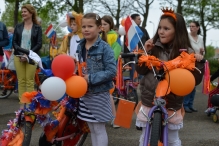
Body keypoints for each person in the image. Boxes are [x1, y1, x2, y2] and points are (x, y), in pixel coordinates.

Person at [135, 8, 203, 146]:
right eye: (160, 27)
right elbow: (140, 70)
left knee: (172, 139)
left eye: (166, 28)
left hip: (172, 102)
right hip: (149, 99)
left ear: (177, 31)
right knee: (145, 137)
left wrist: (199, 63)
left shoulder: (186, 53)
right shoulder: (152, 47)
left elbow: (194, 80)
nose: (161, 31)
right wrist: (144, 54)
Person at [77, 13, 116, 146]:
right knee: (92, 129)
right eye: (83, 26)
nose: (86, 29)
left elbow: (112, 71)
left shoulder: (105, 48)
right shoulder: (80, 46)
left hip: (99, 93)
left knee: (99, 128)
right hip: (84, 94)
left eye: (90, 26)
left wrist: (91, 78)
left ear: (100, 28)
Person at [12, 4, 42, 102]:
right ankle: (22, 102)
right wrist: (21, 53)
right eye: (22, 12)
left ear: (31, 12)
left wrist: (27, 55)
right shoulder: (18, 26)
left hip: (32, 57)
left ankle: (30, 104)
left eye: (25, 11)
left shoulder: (37, 28)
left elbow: (39, 44)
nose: (23, 13)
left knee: (29, 81)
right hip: (18, 56)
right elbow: (14, 42)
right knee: (21, 80)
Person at [101, 15, 122, 128]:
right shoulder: (97, 36)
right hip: (96, 68)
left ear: (110, 25)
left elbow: (116, 51)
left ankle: (114, 118)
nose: (103, 26)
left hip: (107, 68)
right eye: (101, 24)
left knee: (108, 93)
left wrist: (108, 64)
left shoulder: (114, 36)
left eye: (105, 24)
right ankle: (101, 117)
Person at [183, 21, 205, 113]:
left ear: (198, 28)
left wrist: (201, 52)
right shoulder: (186, 37)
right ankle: (185, 105)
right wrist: (194, 54)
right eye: (190, 26)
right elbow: (185, 49)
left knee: (195, 84)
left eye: (193, 26)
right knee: (189, 84)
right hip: (189, 63)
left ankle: (191, 105)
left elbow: (203, 53)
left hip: (198, 63)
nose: (191, 28)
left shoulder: (201, 38)